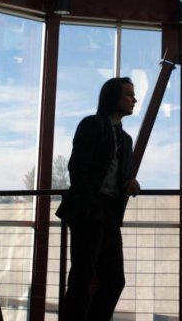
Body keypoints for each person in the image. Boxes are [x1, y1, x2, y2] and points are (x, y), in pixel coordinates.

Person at [56, 77, 141, 320]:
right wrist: (90, 208)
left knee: (114, 281)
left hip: (110, 214)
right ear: (112, 97)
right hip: (89, 211)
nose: (134, 99)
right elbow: (77, 168)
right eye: (128, 94)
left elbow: (120, 176)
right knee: (81, 278)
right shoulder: (91, 125)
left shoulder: (126, 140)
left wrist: (130, 183)